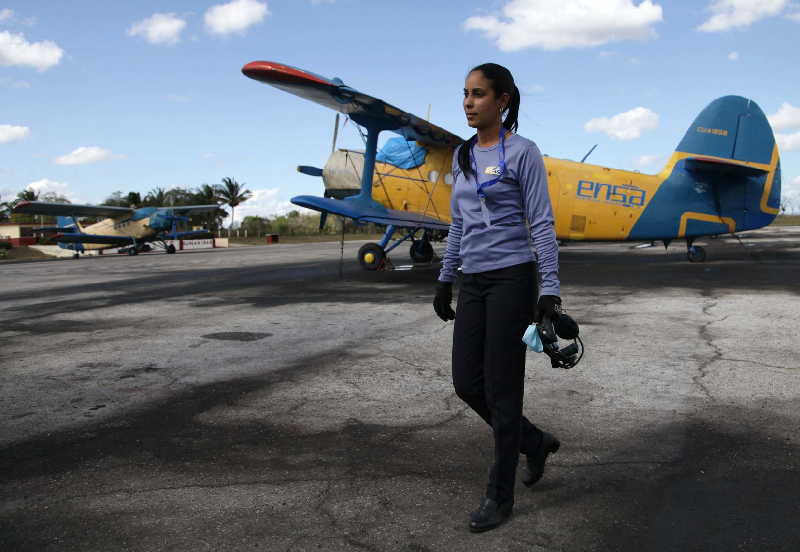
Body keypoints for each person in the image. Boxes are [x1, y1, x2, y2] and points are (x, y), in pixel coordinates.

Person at [432, 63, 562, 533]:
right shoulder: (463, 155)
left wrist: (549, 288)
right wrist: (446, 278)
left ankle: (499, 495)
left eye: (479, 94)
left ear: (502, 100)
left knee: (503, 392)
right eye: (465, 93)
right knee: (467, 383)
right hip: (474, 280)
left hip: (513, 279)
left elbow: (541, 222)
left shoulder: (523, 152)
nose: (468, 102)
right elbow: (459, 224)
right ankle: (534, 440)